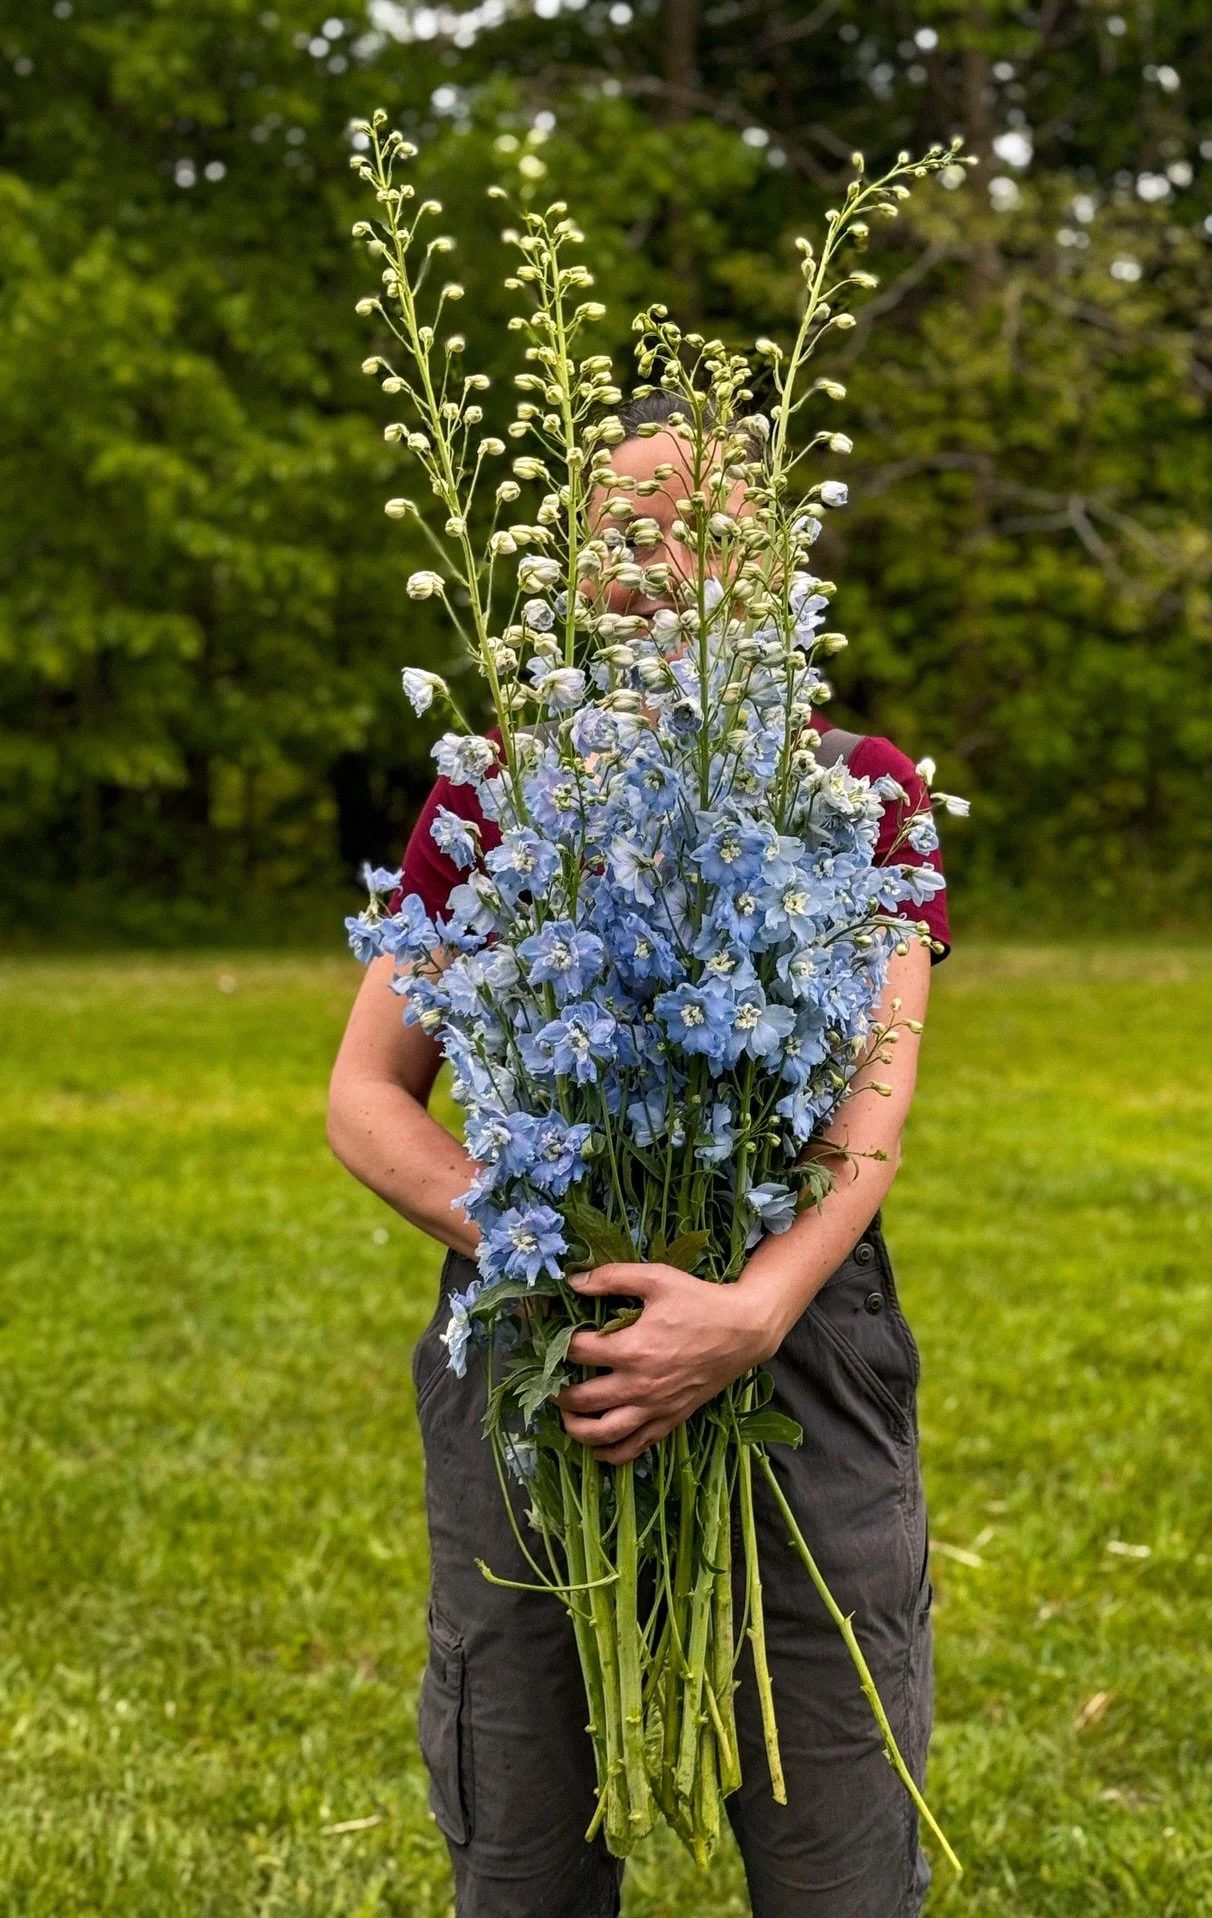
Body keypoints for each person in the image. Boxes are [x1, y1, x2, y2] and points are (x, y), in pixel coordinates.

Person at [327, 397, 951, 1917]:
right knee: (524, 1841)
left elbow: (868, 1115)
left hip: (794, 1335)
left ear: (770, 553)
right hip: (537, 1333)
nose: (653, 564)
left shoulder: (856, 786)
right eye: (621, 530)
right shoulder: (500, 787)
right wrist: (545, 1243)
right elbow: (365, 1096)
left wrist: (744, 1311)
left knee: (838, 1848)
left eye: (696, 528)